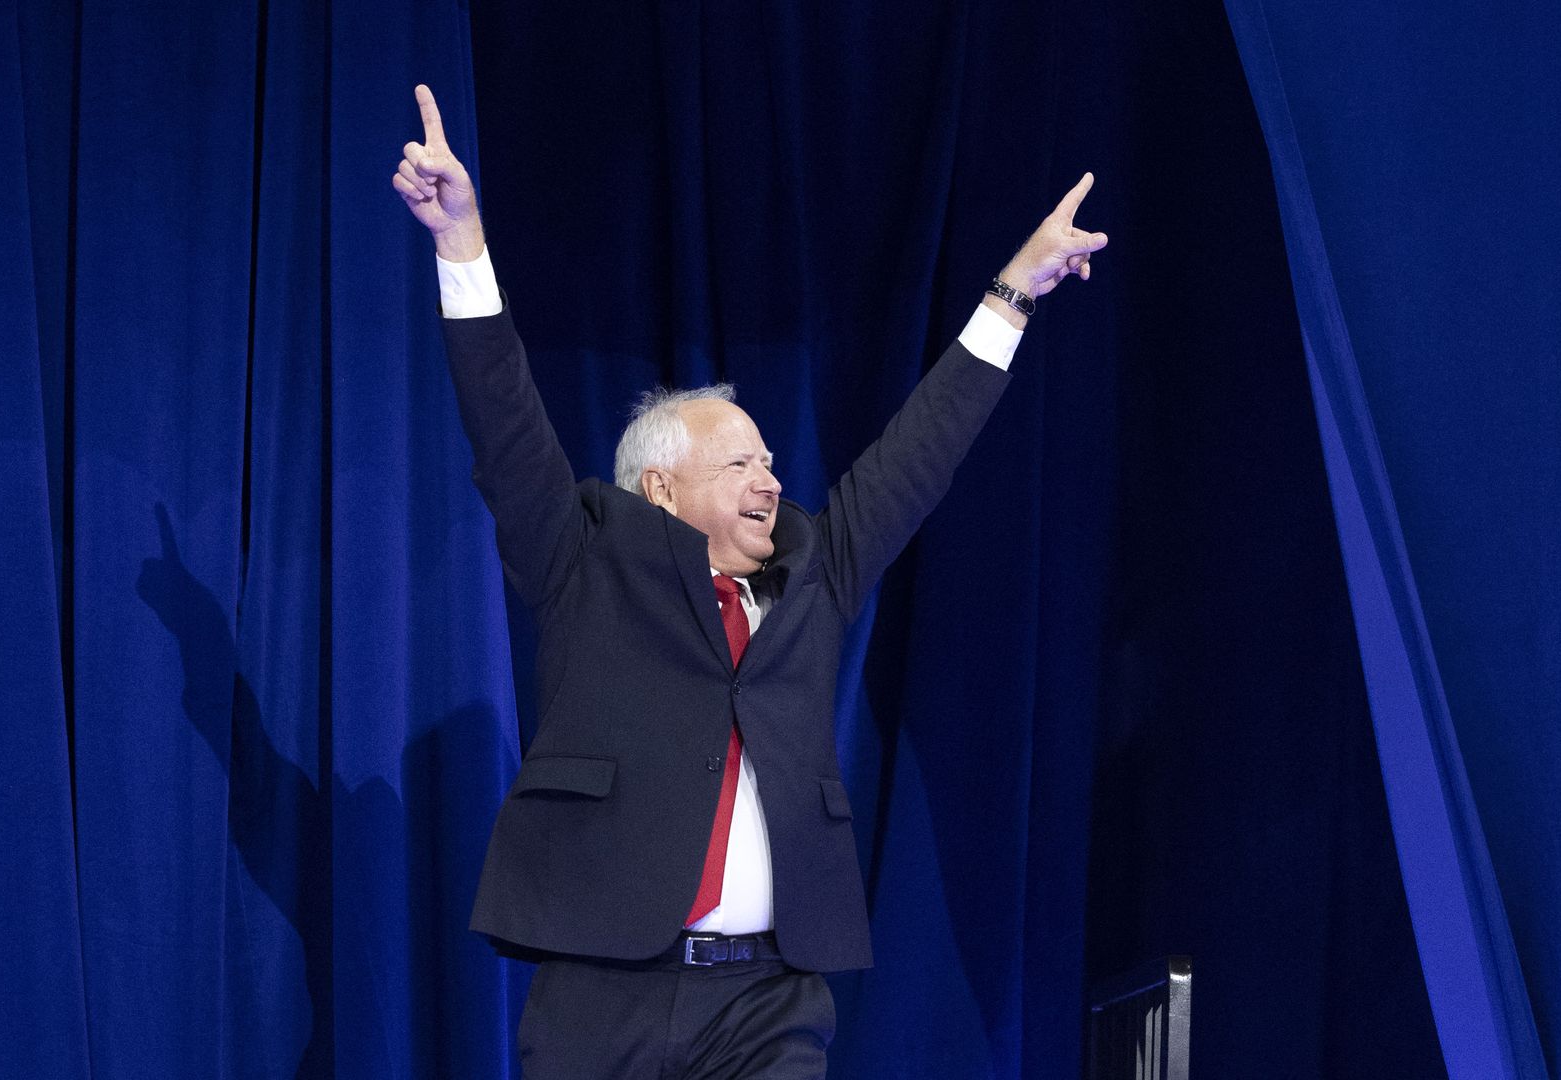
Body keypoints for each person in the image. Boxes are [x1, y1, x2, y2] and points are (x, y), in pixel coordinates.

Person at [394, 84, 1106, 1080]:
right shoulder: (585, 561)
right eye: (739, 464)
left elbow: (918, 453)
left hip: (771, 998)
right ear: (659, 486)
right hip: (607, 989)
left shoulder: (818, 569)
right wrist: (461, 242)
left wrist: (1015, 292)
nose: (770, 478)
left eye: (772, 462)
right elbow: (506, 426)